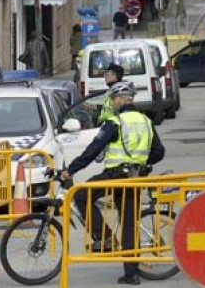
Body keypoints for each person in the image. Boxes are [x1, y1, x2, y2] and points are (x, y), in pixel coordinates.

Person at [60, 82, 165, 286]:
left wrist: (70, 170)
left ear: (120, 99)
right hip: (135, 178)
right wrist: (140, 164)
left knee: (80, 195)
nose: (112, 102)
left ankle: (105, 238)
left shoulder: (115, 122)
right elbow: (159, 152)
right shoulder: (145, 121)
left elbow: (92, 150)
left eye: (113, 98)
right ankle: (131, 274)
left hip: (115, 176)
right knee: (128, 224)